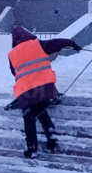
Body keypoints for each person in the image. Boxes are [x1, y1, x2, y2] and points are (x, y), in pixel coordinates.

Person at [8, 25, 81, 158]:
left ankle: (32, 149)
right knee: (41, 107)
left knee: (29, 117)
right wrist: (73, 44)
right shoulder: (38, 45)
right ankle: (50, 131)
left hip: (26, 92)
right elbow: (58, 43)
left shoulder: (12, 54)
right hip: (45, 88)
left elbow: (14, 72)